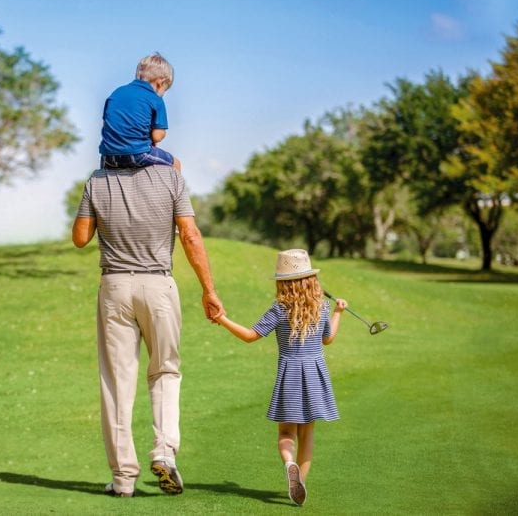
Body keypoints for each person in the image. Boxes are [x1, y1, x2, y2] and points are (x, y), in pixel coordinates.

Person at [72, 164, 223, 498]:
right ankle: (165, 453)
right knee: (165, 371)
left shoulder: (97, 180)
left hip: (114, 286)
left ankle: (123, 479)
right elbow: (190, 234)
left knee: (116, 382)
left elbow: (80, 238)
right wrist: (209, 291)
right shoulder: (171, 176)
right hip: (158, 285)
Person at [214, 249, 346, 506]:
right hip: (315, 374)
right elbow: (327, 340)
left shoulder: (279, 308)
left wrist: (222, 319)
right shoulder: (323, 306)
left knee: (286, 433)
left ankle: (289, 463)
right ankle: (300, 484)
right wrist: (338, 312)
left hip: (290, 375)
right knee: (307, 434)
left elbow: (251, 336)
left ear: (282, 281)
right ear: (311, 278)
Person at [98, 52, 182, 171]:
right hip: (136, 154)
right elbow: (157, 136)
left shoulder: (116, 93)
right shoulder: (155, 99)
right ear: (161, 82)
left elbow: (108, 124)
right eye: (165, 90)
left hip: (107, 157)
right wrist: (157, 135)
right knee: (176, 164)